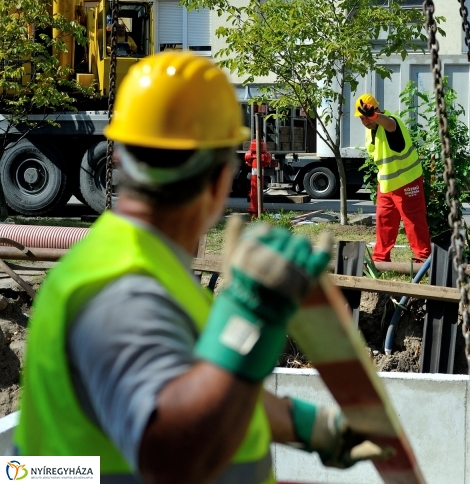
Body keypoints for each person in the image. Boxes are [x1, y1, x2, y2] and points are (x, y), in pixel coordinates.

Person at [15, 52, 386, 483]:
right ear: (218, 180)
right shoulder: (122, 289)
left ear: (118, 161)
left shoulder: (135, 263)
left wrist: (310, 427)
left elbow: (198, 384)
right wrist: (249, 317)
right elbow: (170, 453)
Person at [357, 92, 431, 263]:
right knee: (384, 221)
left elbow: (390, 125)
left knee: (413, 221)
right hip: (386, 183)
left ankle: (422, 260)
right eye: (361, 118)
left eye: (366, 117)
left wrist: (375, 116)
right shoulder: (371, 130)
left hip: (407, 180)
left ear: (376, 112)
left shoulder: (389, 122)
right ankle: (380, 259)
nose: (364, 121)